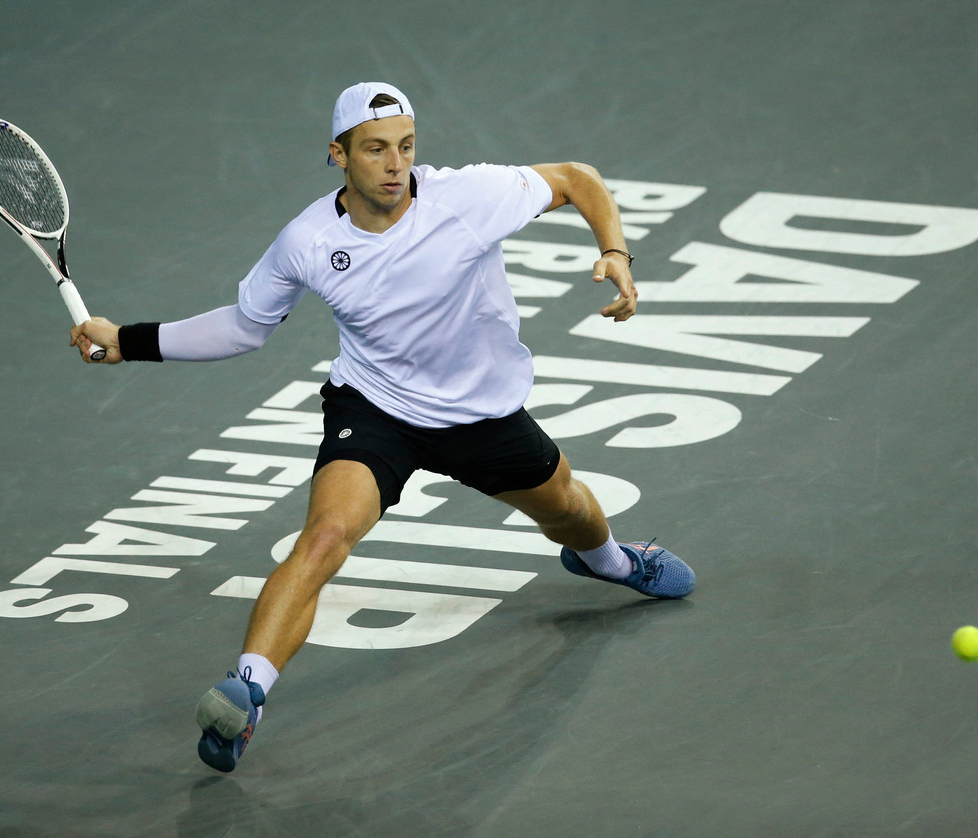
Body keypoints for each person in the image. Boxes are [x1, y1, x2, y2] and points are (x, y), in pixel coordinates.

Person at [70, 81, 695, 773]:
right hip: (378, 409)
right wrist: (128, 341)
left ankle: (611, 563)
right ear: (338, 155)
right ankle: (247, 693)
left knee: (570, 510)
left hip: (482, 416)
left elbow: (578, 179)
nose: (396, 164)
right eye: (375, 149)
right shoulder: (308, 241)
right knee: (325, 537)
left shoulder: (468, 197)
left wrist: (616, 253)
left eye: (406, 146)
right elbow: (245, 328)